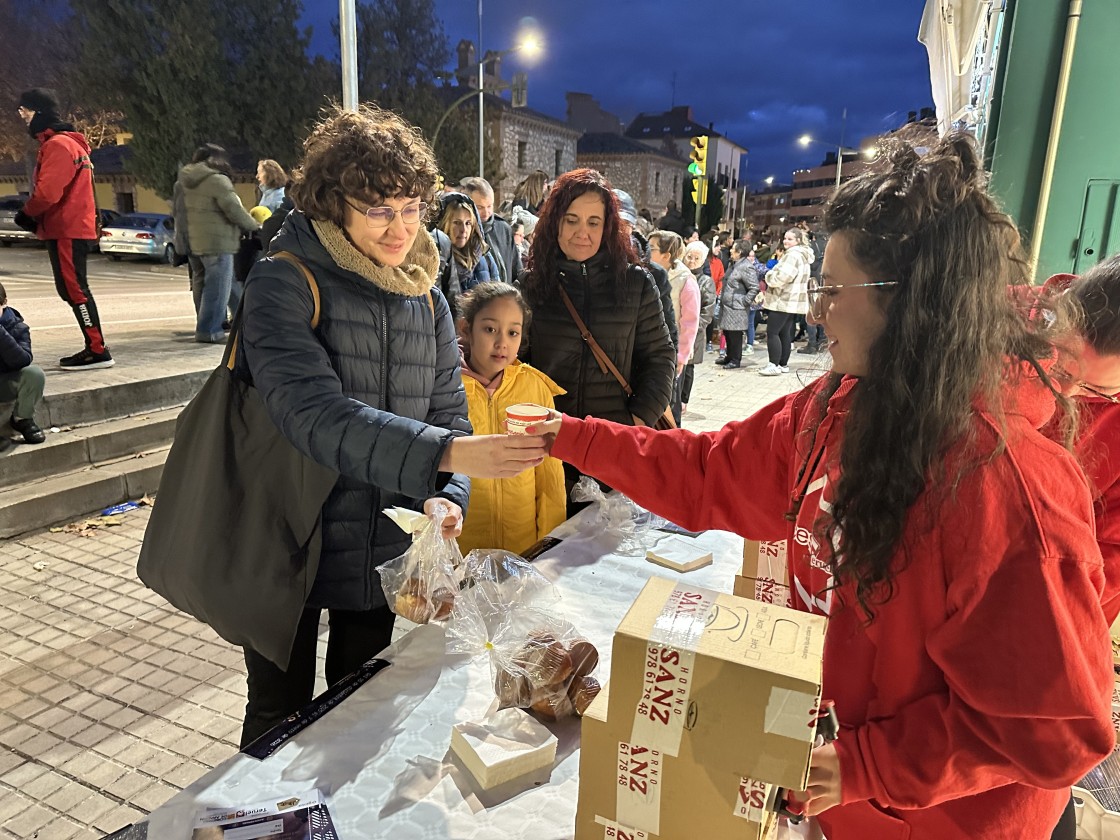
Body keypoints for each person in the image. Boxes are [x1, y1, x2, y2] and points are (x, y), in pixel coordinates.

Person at [525, 135, 1113, 840]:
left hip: (950, 823)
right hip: (852, 800)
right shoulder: (837, 406)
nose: (814, 312)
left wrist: (864, 765)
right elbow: (708, 469)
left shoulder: (1006, 489)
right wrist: (572, 435)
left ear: (913, 304)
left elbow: (1051, 732)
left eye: (834, 291)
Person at [233, 103, 548, 747]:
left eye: (410, 207)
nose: (399, 226)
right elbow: (312, 414)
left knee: (361, 709)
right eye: (377, 208)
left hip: (379, 546)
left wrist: (448, 495)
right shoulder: (283, 281)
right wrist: (453, 454)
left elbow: (444, 410)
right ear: (332, 202)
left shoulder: (424, 292)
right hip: (288, 534)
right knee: (277, 716)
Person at [517, 168, 675, 506]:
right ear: (555, 222)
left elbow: (660, 358)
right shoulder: (531, 287)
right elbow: (516, 367)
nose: (582, 233)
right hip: (549, 448)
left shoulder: (636, 284)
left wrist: (634, 422)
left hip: (615, 449)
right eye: (571, 220)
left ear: (607, 227)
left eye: (593, 222)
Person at [456, 282, 566, 553]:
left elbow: (549, 477)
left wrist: (550, 545)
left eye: (513, 332)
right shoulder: (446, 387)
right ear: (466, 329)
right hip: (462, 550)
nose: (501, 342)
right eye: (490, 329)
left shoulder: (534, 388)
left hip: (523, 548)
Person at [16, 88, 112, 370]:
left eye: (26, 110)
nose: (22, 115)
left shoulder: (58, 145)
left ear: (40, 113)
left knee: (74, 290)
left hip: (66, 228)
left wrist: (27, 213)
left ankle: (98, 350)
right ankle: (96, 347)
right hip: (70, 227)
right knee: (72, 289)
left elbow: (48, 192)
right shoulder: (68, 144)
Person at [176, 144, 260, 343]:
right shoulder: (217, 180)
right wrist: (254, 226)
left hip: (194, 242)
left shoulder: (183, 181)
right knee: (218, 287)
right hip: (217, 241)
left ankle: (246, 322)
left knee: (215, 284)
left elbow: (179, 211)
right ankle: (209, 330)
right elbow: (234, 210)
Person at [648, 230, 700, 424]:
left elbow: (690, 322)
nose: (646, 252)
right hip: (651, 349)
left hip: (672, 354)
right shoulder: (645, 274)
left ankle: (673, 444)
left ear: (666, 255)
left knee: (670, 404)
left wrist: (681, 357)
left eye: (651, 249)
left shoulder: (685, 280)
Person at [757, 227, 814, 375]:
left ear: (798, 240)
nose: (786, 241)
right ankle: (782, 364)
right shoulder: (803, 255)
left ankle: (773, 364)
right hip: (792, 301)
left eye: (790, 239)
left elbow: (781, 277)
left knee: (773, 332)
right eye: (785, 238)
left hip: (783, 299)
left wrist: (769, 275)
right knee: (785, 333)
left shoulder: (793, 255)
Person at [0, 282, 46, 453]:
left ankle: (22, 419)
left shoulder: (17, 327)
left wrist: (1, 334)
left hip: (6, 382)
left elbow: (23, 360)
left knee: (34, 374)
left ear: (4, 302)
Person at [432, 192, 499, 306]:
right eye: (457, 223)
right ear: (444, 224)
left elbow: (498, 297)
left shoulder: (484, 255)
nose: (463, 230)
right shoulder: (437, 260)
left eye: (468, 223)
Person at [460, 177, 522, 284]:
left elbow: (516, 268)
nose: (486, 212)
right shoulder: (463, 231)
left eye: (489, 206)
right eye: (480, 207)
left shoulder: (503, 229)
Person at [680, 242, 717, 415]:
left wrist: (694, 327)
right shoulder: (679, 275)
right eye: (690, 257)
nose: (692, 261)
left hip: (695, 332)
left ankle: (683, 400)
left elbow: (707, 311)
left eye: (696, 258)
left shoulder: (705, 282)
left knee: (688, 368)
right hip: (678, 330)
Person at [716, 239, 760, 368]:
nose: (730, 250)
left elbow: (754, 287)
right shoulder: (734, 264)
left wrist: (744, 301)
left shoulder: (746, 266)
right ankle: (729, 357)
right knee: (728, 333)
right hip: (728, 306)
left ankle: (735, 359)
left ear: (739, 252)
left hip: (737, 307)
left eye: (733, 249)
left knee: (735, 335)